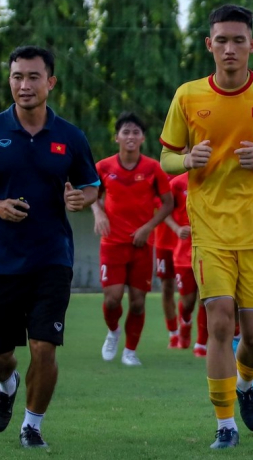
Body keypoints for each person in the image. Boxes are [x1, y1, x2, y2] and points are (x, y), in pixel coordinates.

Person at [159, 4, 253, 449]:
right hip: (209, 231)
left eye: (237, 40)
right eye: (221, 40)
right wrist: (186, 160)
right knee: (220, 324)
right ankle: (225, 424)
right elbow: (166, 156)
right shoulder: (188, 96)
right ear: (209, 45)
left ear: (251, 45)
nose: (229, 48)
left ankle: (245, 384)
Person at [0, 45, 100, 448]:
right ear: (9, 81)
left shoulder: (69, 136)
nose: (24, 84)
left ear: (50, 82)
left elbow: (91, 184)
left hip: (52, 258)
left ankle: (31, 425)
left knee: (44, 347)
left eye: (33, 76)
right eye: (17, 76)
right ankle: (7, 385)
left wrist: (80, 199)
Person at [93, 112, 174, 366]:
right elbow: (90, 194)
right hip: (112, 242)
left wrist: (148, 227)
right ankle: (114, 331)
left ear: (143, 139)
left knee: (138, 303)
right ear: (117, 137)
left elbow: (168, 203)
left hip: (141, 244)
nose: (130, 136)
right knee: (113, 298)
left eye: (135, 132)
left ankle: (130, 350)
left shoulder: (153, 168)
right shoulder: (104, 167)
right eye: (125, 132)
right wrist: (98, 213)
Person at [164, 172, 208, 356]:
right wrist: (176, 228)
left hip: (208, 250)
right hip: (183, 253)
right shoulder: (177, 183)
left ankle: (201, 344)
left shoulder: (217, 179)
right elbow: (163, 209)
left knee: (205, 299)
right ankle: (185, 320)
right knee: (188, 301)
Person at [153, 194, 182, 349]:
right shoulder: (160, 175)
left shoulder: (193, 171)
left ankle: (189, 327)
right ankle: (173, 332)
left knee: (197, 290)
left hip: (189, 241)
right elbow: (160, 206)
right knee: (167, 287)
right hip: (164, 241)